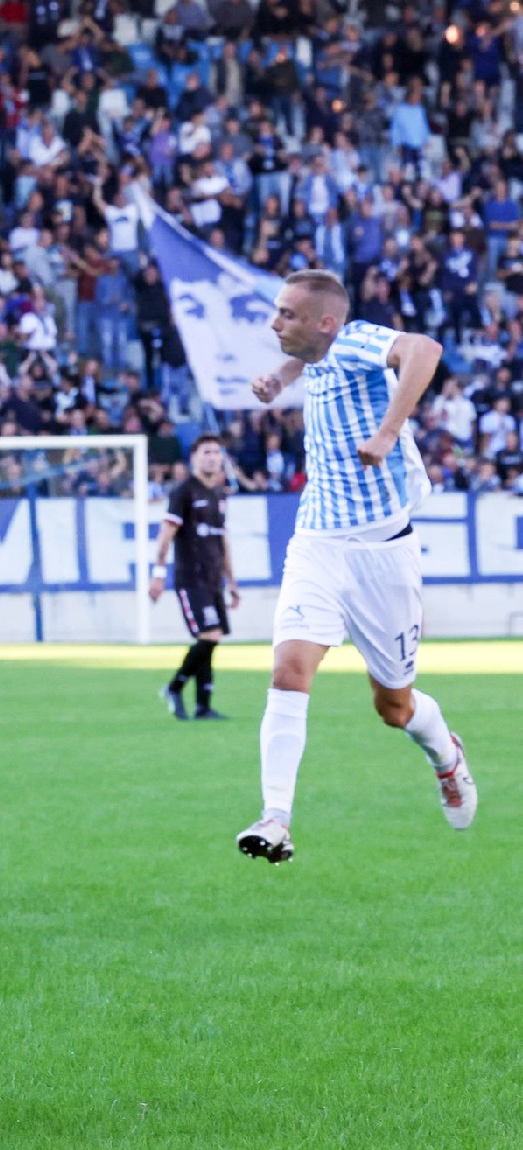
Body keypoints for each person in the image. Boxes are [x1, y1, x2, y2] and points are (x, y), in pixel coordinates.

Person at [239, 269, 478, 864]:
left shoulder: (354, 341)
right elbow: (307, 361)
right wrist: (280, 376)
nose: (274, 323)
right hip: (317, 541)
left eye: (287, 314)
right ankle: (275, 818)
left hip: (382, 553)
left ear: (326, 322)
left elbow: (425, 349)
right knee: (289, 672)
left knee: (394, 707)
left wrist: (388, 431)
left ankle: (446, 755)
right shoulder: (317, 353)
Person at [148, 434, 239, 721]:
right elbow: (166, 535)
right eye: (206, 452)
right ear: (194, 458)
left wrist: (231, 581)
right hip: (191, 579)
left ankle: (203, 707)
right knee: (210, 634)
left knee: (211, 638)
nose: (212, 457)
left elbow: (222, 541)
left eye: (216, 452)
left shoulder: (218, 494)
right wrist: (158, 574)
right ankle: (174, 687)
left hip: (213, 580)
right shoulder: (183, 491)